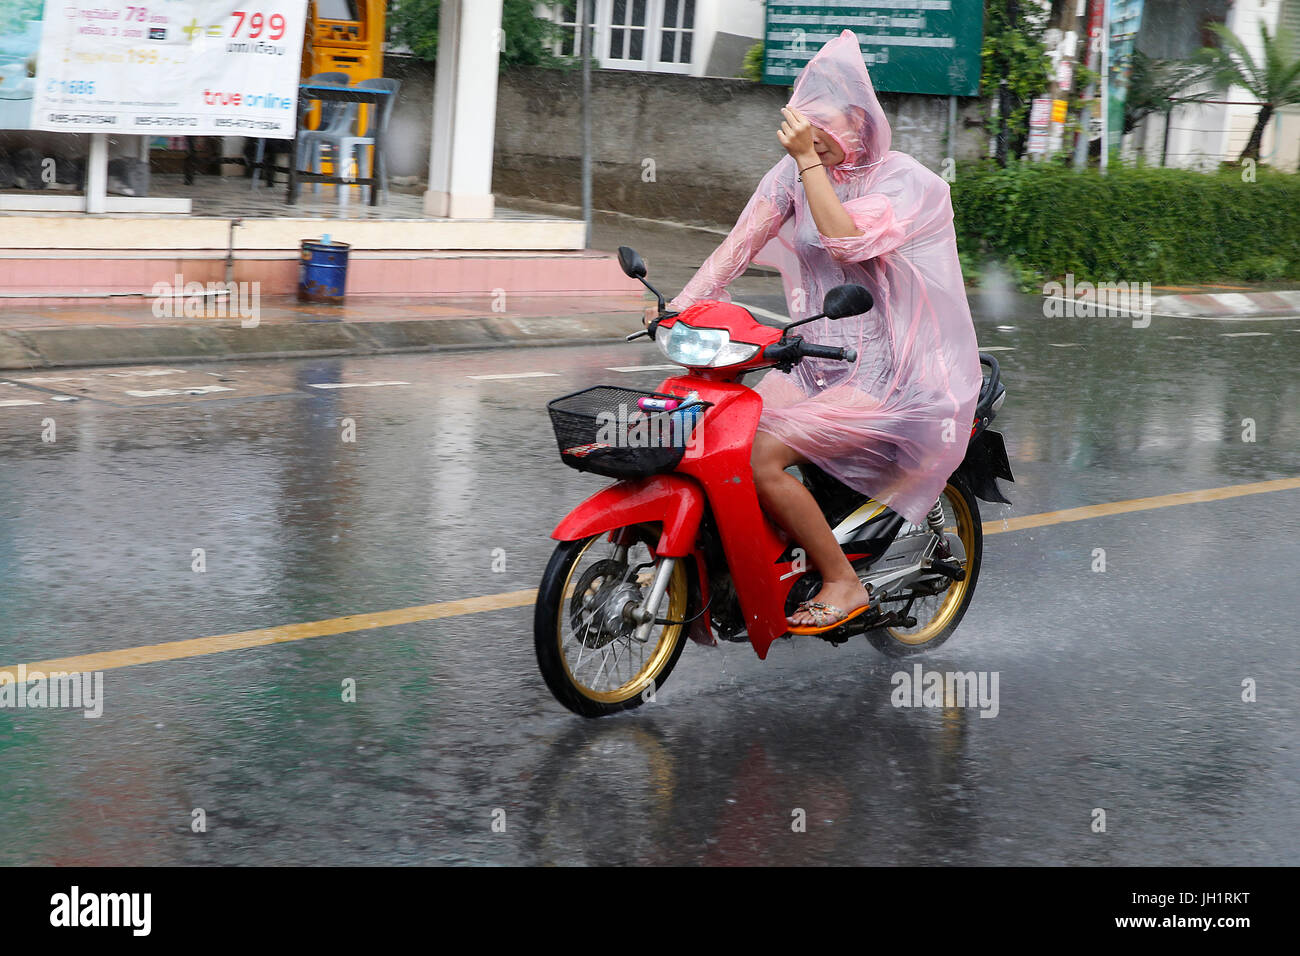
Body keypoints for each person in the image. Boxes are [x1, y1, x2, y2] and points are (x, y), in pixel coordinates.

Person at [643, 30, 981, 634]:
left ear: (860, 125)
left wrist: (808, 162)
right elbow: (737, 247)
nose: (813, 147)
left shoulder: (908, 183)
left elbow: (846, 239)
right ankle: (729, 562)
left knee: (761, 455)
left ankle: (841, 580)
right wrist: (679, 308)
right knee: (704, 436)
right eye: (805, 134)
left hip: (884, 375)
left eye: (825, 136)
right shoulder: (792, 173)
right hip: (812, 357)